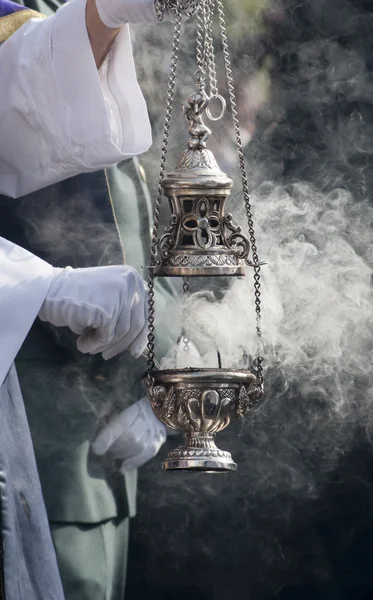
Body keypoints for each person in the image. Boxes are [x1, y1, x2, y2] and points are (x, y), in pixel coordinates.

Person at [0, 0, 190, 597]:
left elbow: (160, 230)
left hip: (111, 453)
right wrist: (35, 288)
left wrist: (176, 367)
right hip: (32, 434)